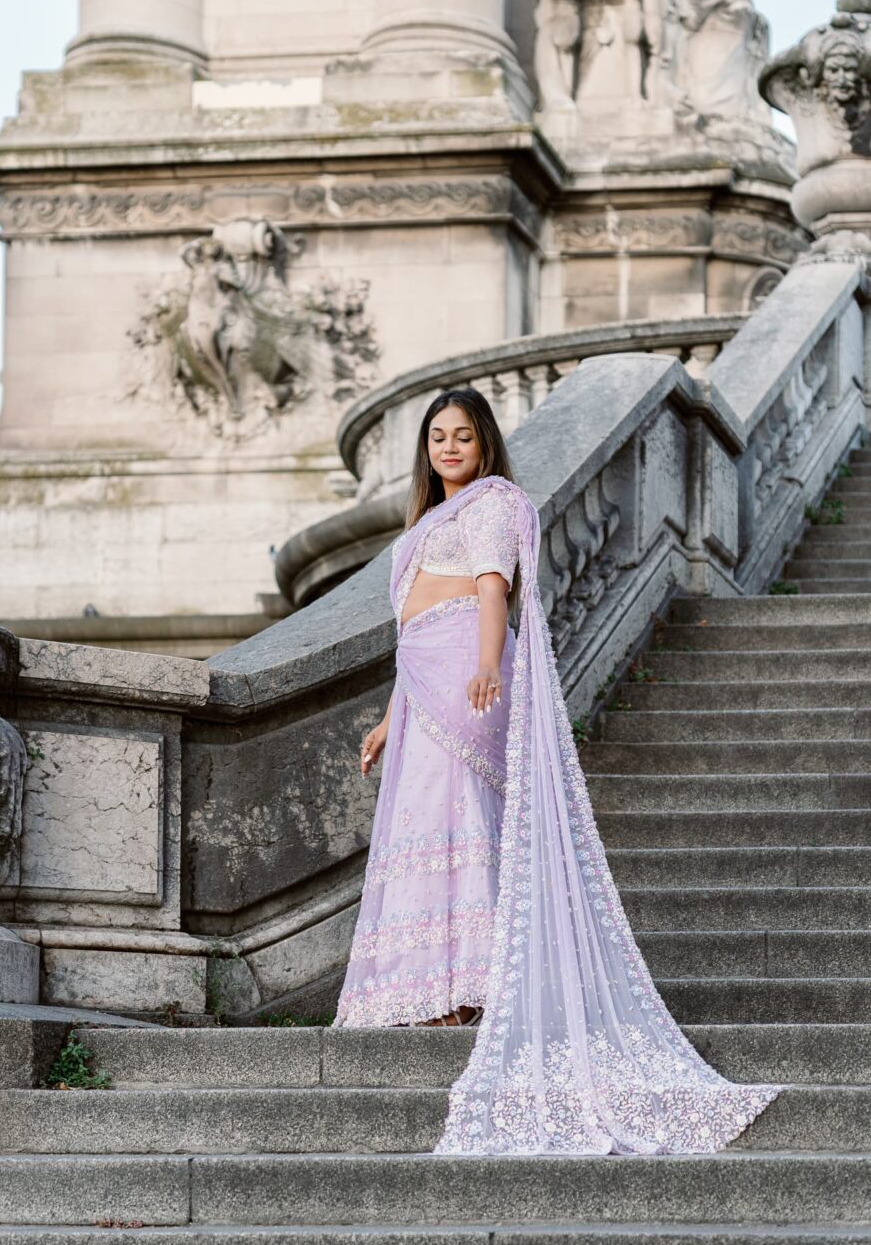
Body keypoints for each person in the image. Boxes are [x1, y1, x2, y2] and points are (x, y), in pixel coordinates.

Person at [333, 386, 784, 1156]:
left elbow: (489, 590)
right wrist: (387, 715)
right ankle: (428, 989)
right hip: (423, 690)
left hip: (468, 680)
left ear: (484, 445)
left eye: (462, 437)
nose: (448, 448)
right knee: (422, 827)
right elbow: (410, 629)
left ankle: (473, 986)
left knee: (464, 821)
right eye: (438, 436)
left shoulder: (494, 504)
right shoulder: (423, 523)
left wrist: (484, 667)